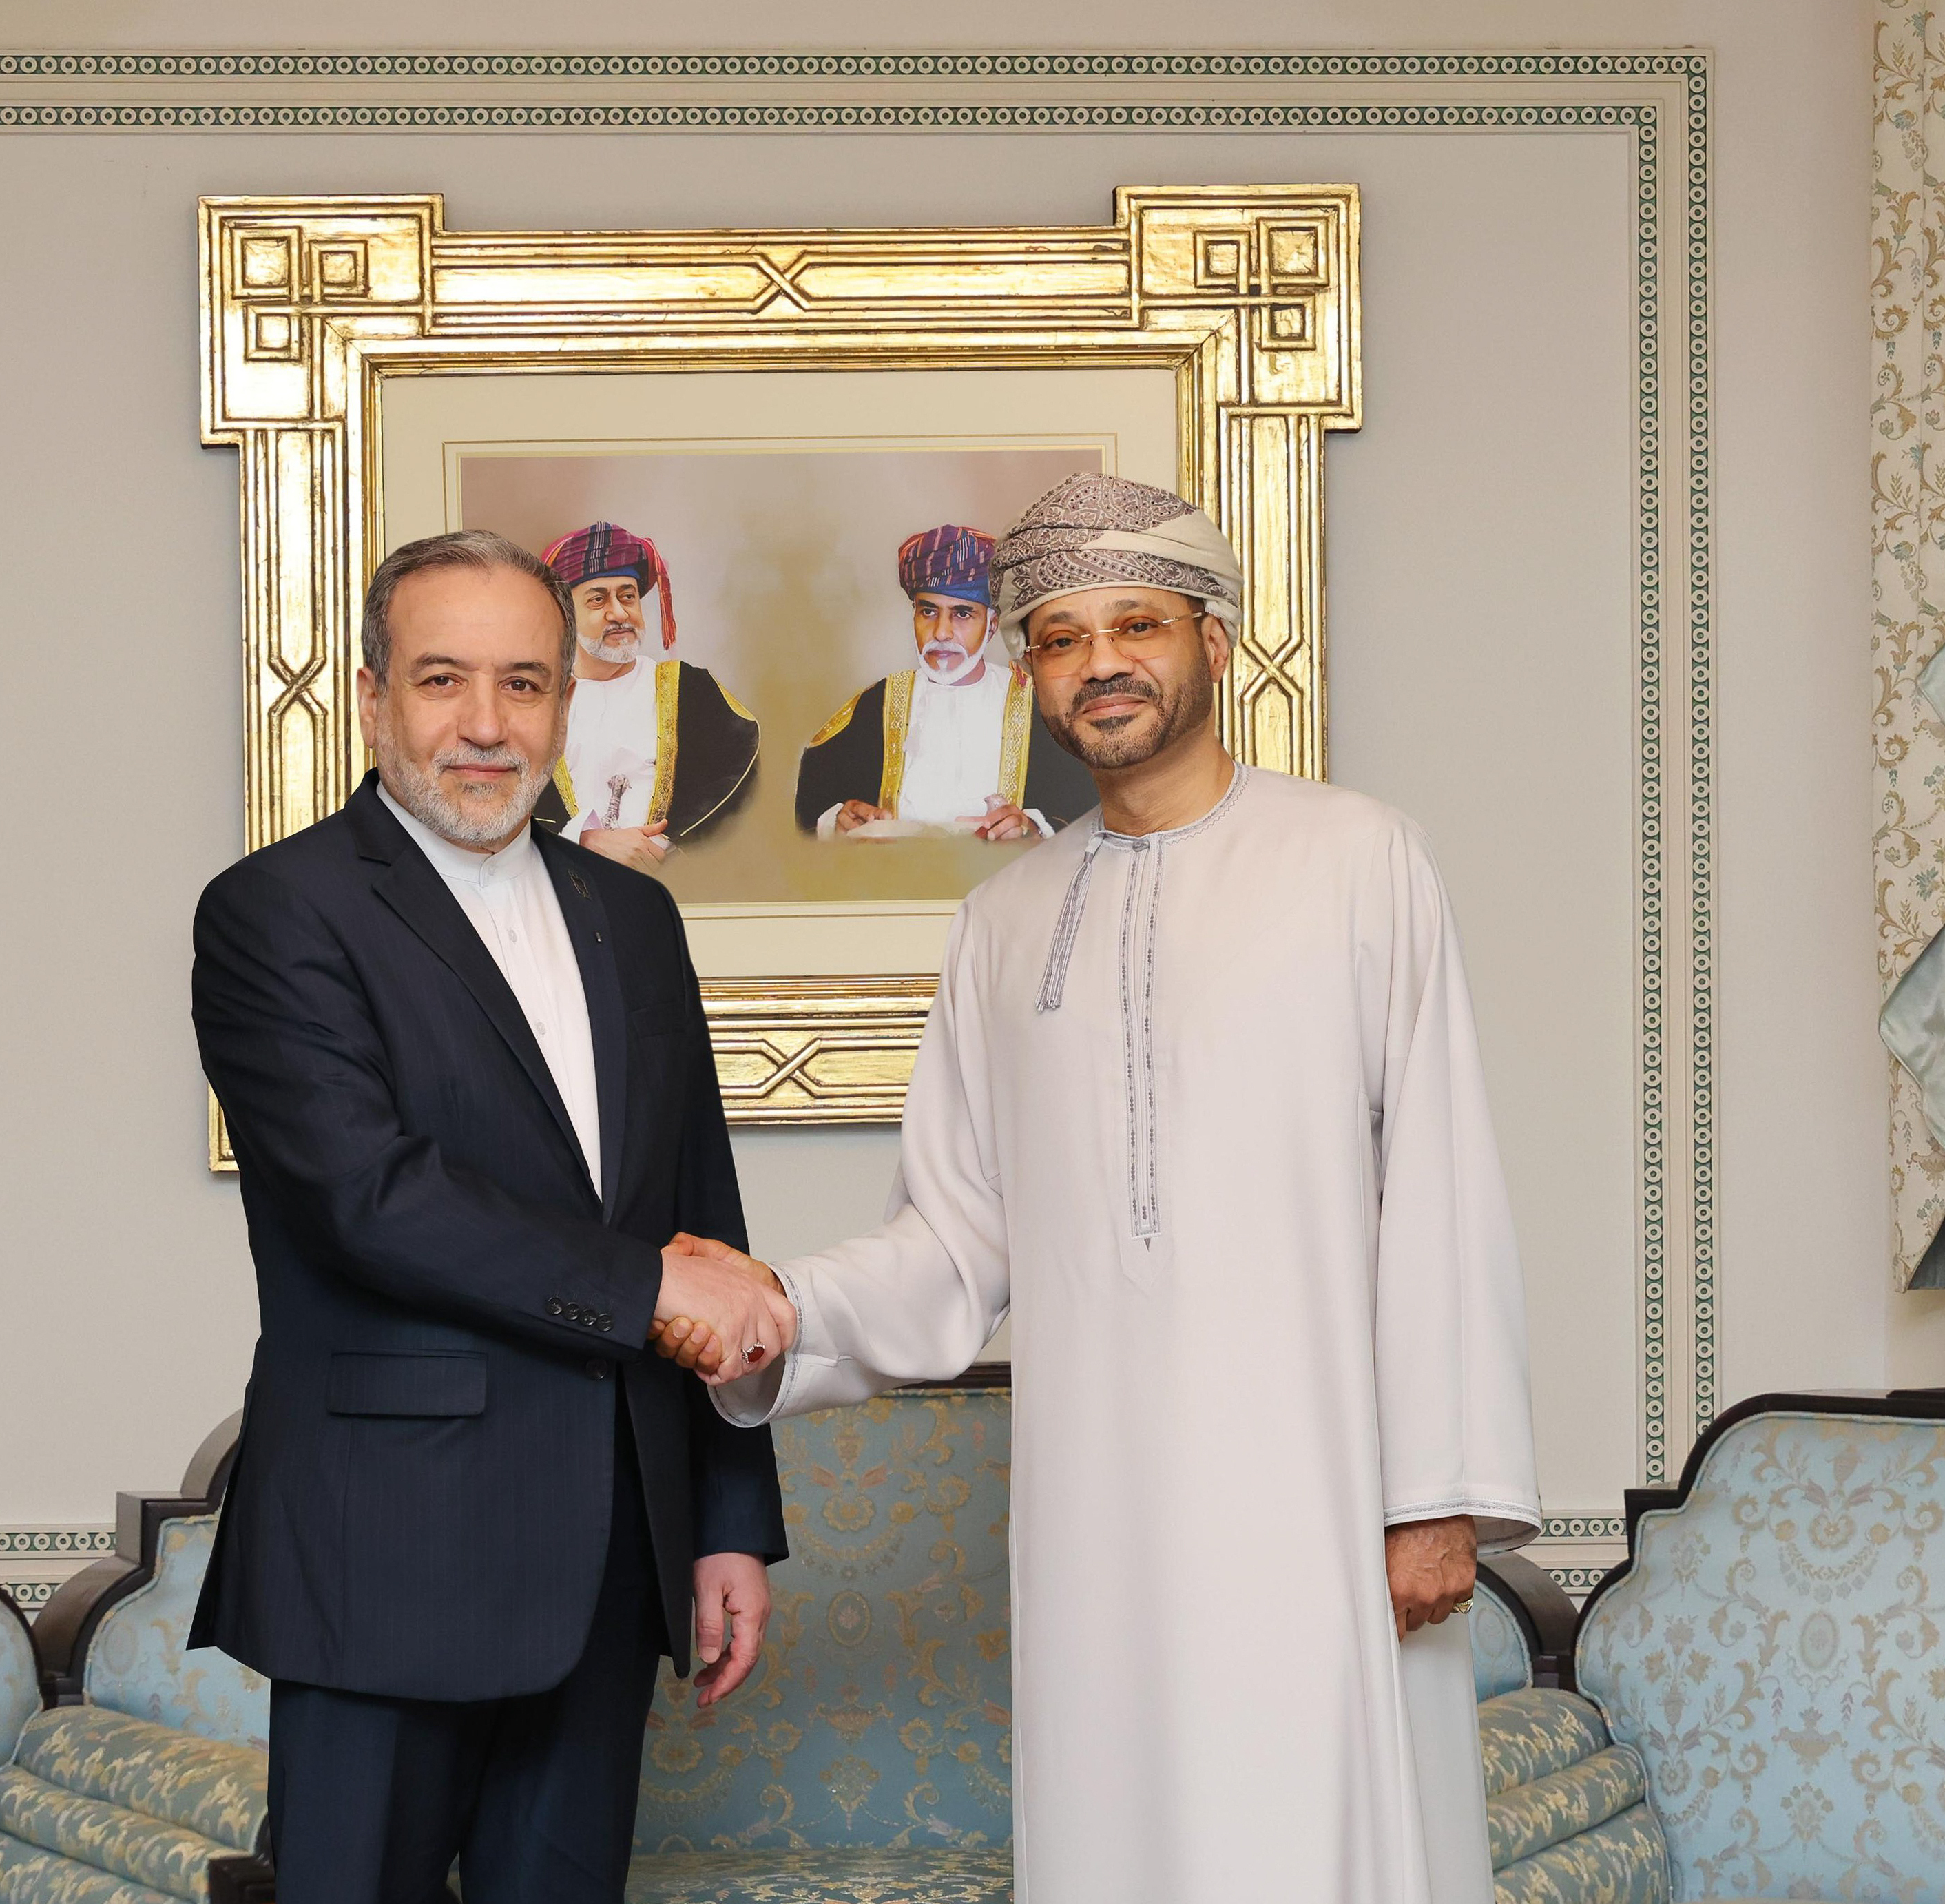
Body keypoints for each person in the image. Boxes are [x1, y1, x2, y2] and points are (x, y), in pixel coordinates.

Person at [652, 473, 1541, 1904]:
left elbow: (1439, 1184)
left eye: (1136, 621)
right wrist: (779, 1308)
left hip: (1319, 1500)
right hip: (1095, 1520)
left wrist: (1434, 1492)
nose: (1101, 661)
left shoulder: (1357, 857)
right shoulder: (1002, 919)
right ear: (1029, 671)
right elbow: (951, 1240)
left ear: (1213, 638)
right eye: (1059, 636)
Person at [189, 530, 792, 1904]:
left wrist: (726, 1517)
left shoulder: (633, 917)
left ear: (564, 704)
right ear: (371, 695)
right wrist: (645, 1287)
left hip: (612, 1555)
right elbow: (368, 1196)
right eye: (443, 678)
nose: (483, 722)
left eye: (523, 683)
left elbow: (702, 1212)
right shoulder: (277, 911)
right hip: (386, 1547)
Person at [794, 523, 1090, 841]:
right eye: (928, 612)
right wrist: (837, 820)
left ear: (992, 625)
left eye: (962, 614)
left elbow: (1088, 806)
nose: (942, 633)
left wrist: (1033, 828)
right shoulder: (877, 704)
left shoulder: (1039, 704)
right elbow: (813, 804)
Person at [531, 521, 760, 871]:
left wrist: (666, 848)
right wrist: (583, 839)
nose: (620, 613)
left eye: (628, 597)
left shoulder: (690, 689)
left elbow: (743, 775)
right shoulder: (534, 702)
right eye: (598, 600)